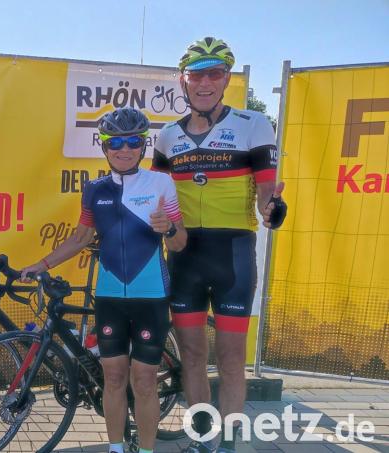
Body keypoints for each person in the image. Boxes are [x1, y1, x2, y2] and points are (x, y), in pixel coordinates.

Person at [151, 37, 288, 453]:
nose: (205, 82)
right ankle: (201, 437)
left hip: (233, 256)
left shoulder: (252, 125)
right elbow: (156, 195)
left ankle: (227, 443)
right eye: (197, 74)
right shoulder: (166, 137)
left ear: (227, 78)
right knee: (191, 356)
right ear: (183, 81)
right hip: (183, 256)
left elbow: (267, 194)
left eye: (214, 74)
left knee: (230, 359)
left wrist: (273, 209)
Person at [22, 107, 187, 453]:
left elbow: (179, 242)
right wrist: (42, 263)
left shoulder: (160, 183)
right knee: (113, 378)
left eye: (133, 142)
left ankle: (145, 449)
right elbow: (81, 238)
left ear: (142, 145)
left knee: (143, 381)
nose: (124, 149)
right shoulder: (94, 190)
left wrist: (169, 229)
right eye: (116, 142)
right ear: (105, 146)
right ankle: (115, 448)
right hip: (109, 297)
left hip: (151, 298)